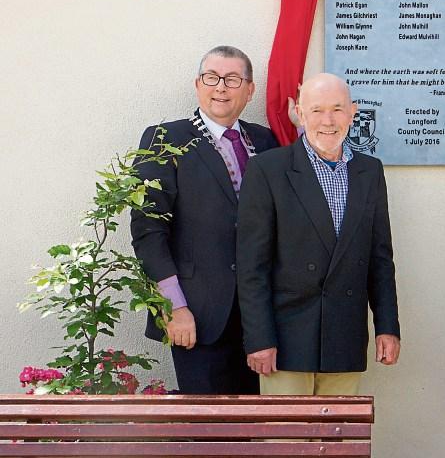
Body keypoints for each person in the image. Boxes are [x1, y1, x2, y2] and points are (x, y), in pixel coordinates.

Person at [236, 73, 400, 395]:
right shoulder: (268, 169)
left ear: (353, 113)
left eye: (337, 109)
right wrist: (259, 338)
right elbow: (252, 266)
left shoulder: (370, 171)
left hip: (345, 337)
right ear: (300, 113)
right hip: (284, 342)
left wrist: (387, 326)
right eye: (317, 110)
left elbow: (380, 259)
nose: (328, 121)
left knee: (339, 427)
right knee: (287, 429)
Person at [130, 45, 278, 394]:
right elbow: (148, 230)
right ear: (198, 85)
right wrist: (173, 306)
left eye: (232, 79)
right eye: (211, 78)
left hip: (261, 319)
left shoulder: (264, 140)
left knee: (258, 421)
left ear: (250, 90)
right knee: (206, 422)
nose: (221, 87)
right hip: (197, 316)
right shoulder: (165, 139)